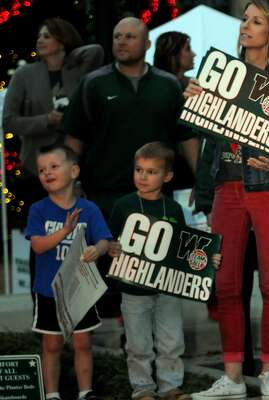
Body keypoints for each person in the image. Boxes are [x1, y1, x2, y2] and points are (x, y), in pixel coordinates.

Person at [185, 1, 269, 398]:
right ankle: (233, 377)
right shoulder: (220, 76)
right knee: (225, 284)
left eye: (256, 21)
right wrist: (193, 98)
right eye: (244, 20)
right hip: (227, 186)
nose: (246, 27)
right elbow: (201, 131)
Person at [107, 142, 217, 400]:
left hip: (167, 287)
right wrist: (110, 248)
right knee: (138, 343)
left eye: (151, 171)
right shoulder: (123, 205)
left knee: (171, 340)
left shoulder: (174, 209)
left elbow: (181, 249)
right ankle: (142, 388)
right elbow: (109, 240)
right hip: (133, 288)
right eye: (138, 170)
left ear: (167, 176)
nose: (142, 177)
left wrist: (208, 258)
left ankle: (170, 386)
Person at [3, 17, 103, 293]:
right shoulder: (25, 75)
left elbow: (95, 51)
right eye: (39, 35)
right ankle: (42, 304)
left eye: (48, 35)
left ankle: (77, 303)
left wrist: (68, 53)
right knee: (44, 241)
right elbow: (9, 121)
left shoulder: (77, 70)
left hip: (74, 168)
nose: (40, 40)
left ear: (62, 40)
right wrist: (47, 120)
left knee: (78, 239)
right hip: (38, 171)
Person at [62, 17, 200, 218]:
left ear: (147, 44)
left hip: (157, 194)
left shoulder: (168, 84)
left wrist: (201, 182)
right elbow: (74, 137)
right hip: (105, 195)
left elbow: (186, 137)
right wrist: (69, 185)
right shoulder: (93, 83)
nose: (121, 41)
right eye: (117, 36)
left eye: (130, 37)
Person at [25, 143, 112, 400]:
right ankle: (51, 394)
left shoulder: (89, 209)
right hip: (49, 290)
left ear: (73, 171)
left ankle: (86, 391)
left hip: (80, 291)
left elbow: (105, 240)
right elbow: (38, 245)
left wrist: (98, 249)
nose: (47, 173)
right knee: (51, 345)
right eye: (41, 170)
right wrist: (64, 231)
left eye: (54, 166)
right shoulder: (38, 209)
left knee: (83, 343)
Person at [153, 31, 197, 192]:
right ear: (173, 54)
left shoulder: (192, 84)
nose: (193, 54)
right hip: (171, 166)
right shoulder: (160, 88)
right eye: (187, 49)